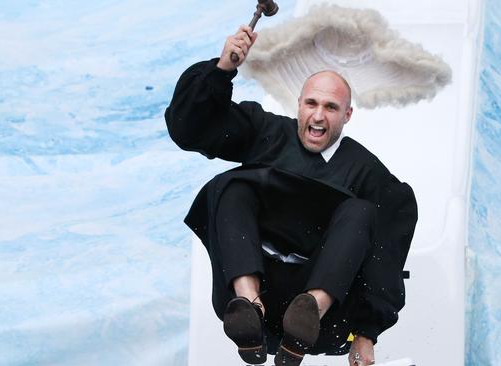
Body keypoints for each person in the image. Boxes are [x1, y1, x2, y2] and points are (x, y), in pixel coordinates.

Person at [165, 26, 417, 366]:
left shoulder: (369, 175)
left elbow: (386, 257)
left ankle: (310, 310)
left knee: (361, 212)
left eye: (330, 107)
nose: (318, 115)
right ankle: (248, 304)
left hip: (324, 320)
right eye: (311, 103)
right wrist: (222, 69)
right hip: (253, 304)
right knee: (230, 185)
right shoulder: (265, 133)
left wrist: (366, 335)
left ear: (347, 115)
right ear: (298, 105)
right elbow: (189, 130)